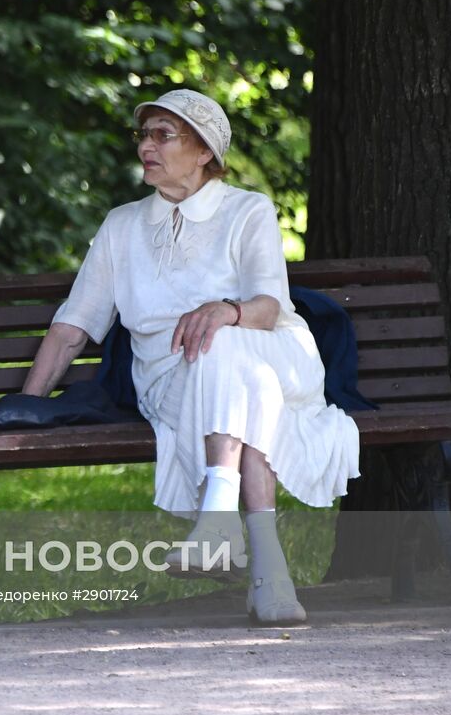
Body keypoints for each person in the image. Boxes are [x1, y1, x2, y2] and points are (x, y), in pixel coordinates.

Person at [21, 88, 360, 624]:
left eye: (163, 135)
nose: (146, 148)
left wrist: (226, 310)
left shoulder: (248, 210)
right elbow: (73, 326)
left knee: (224, 344)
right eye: (144, 135)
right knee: (237, 384)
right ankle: (268, 574)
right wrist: (26, 406)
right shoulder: (122, 225)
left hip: (277, 355)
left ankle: (219, 516)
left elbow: (270, 307)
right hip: (176, 381)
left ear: (204, 151)